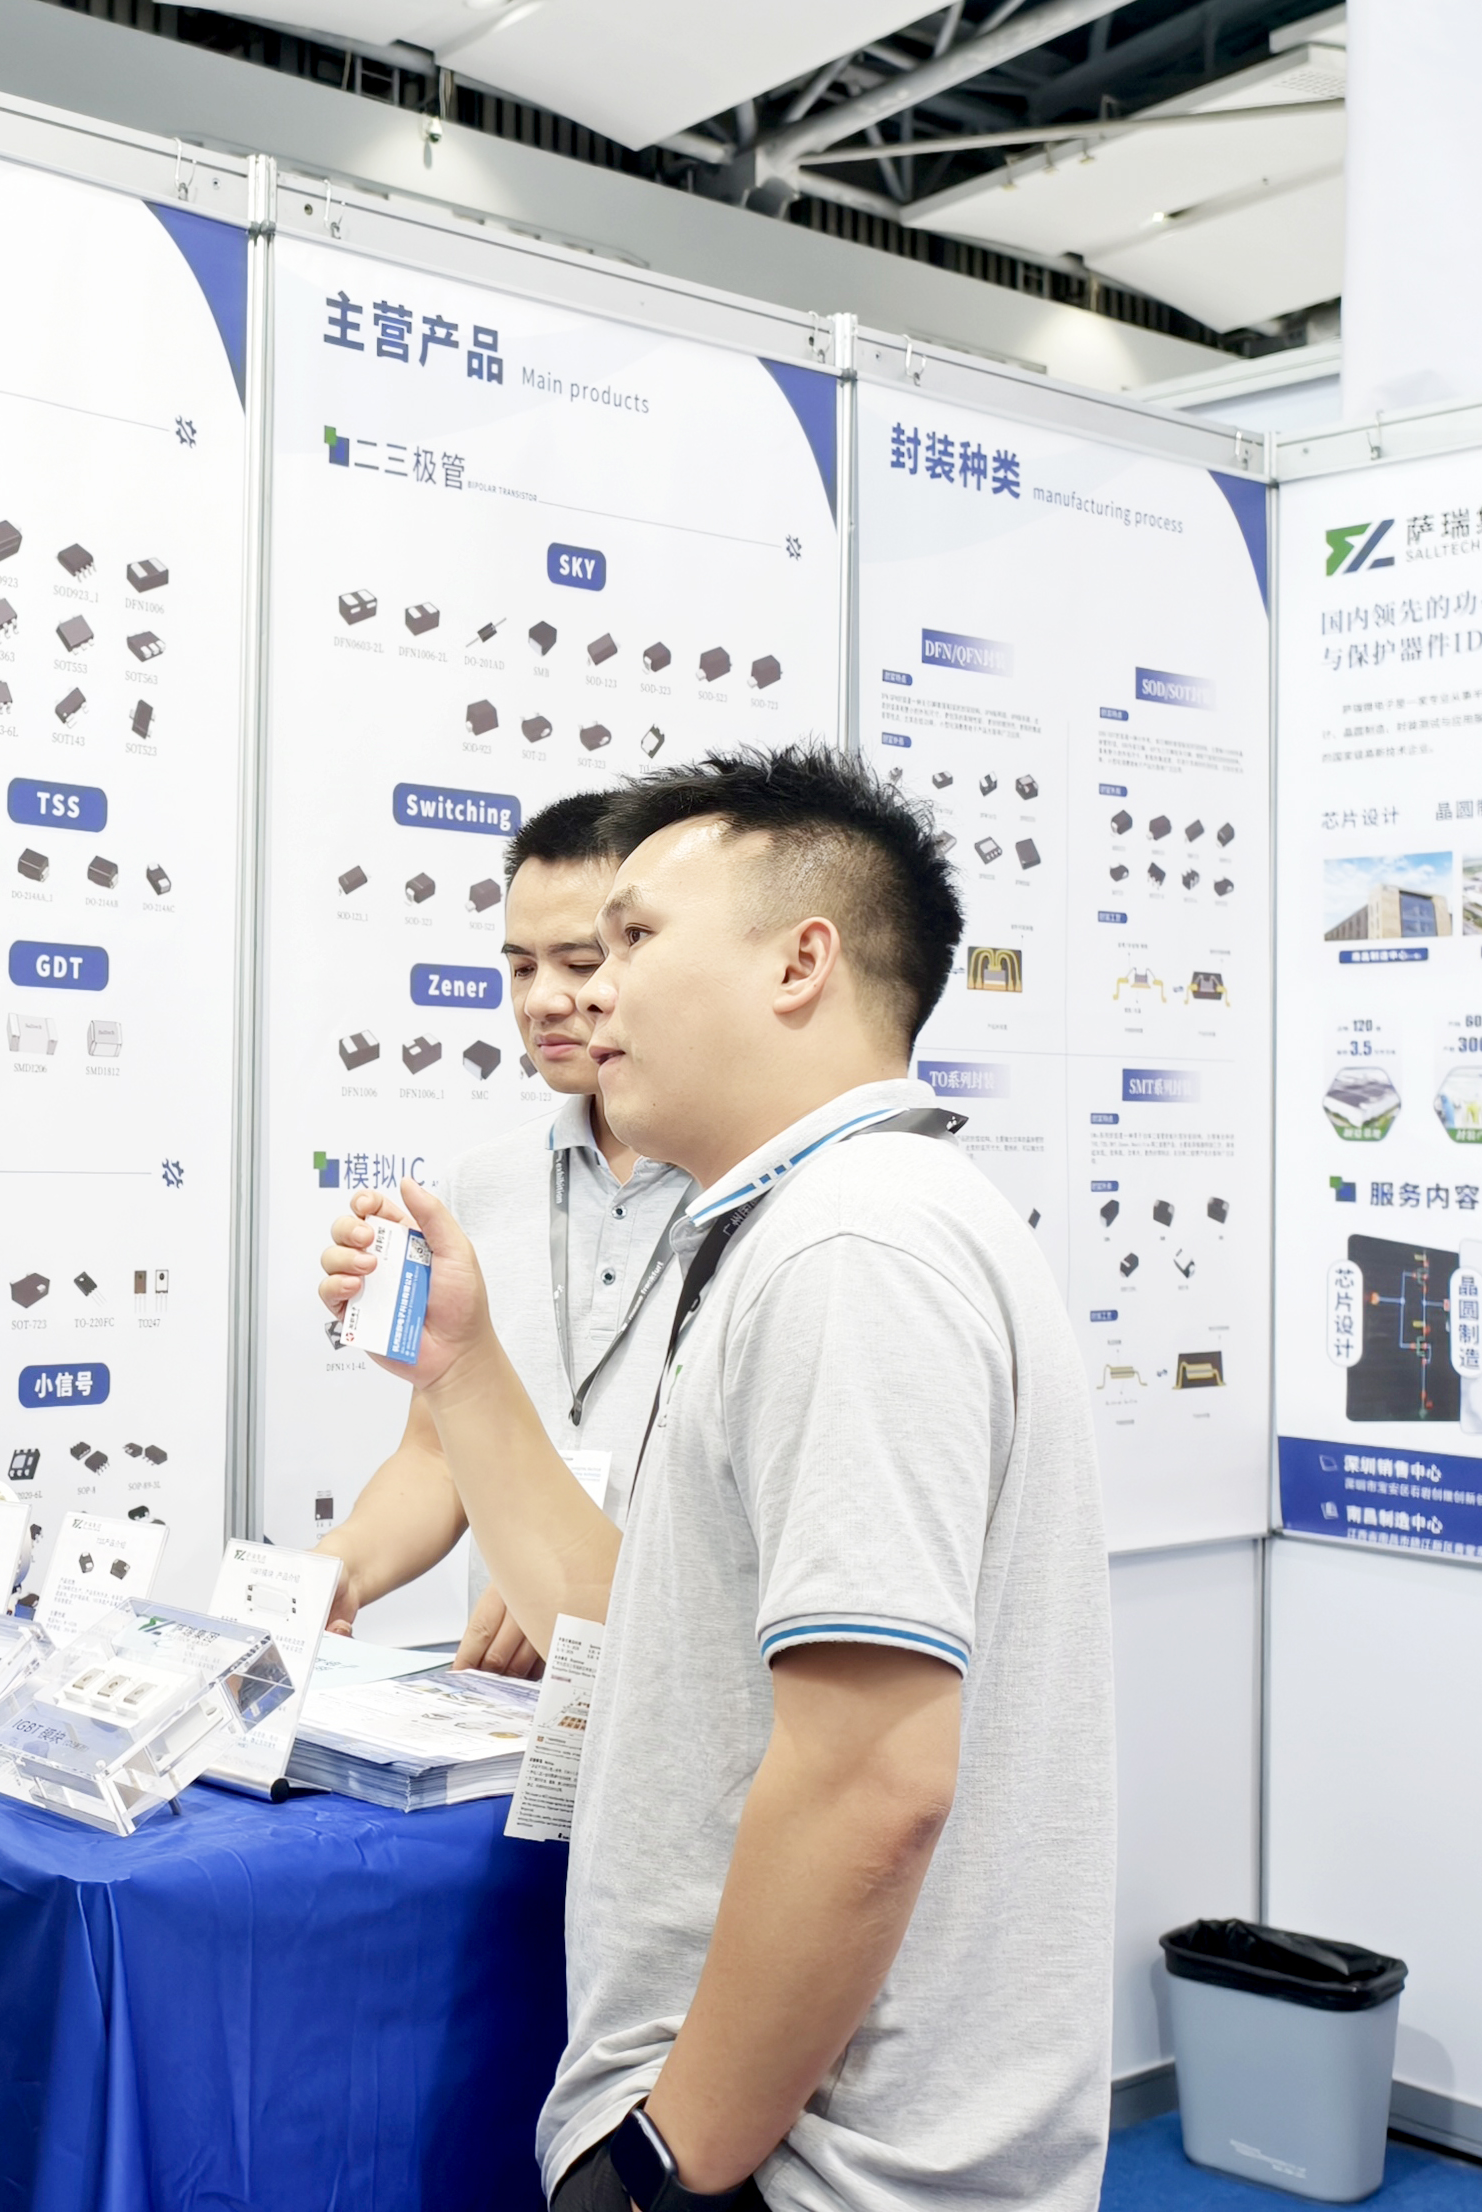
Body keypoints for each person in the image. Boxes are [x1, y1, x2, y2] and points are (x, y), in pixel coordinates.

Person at [319, 745, 1109, 2212]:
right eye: (554, 958)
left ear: (800, 963)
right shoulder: (812, 1226)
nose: (584, 994)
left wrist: (669, 2158)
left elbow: (873, 1781)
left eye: (629, 940)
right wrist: (463, 1364)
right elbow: (638, 1630)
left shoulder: (850, 1249)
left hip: (806, 2165)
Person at [313, 791, 697, 1673]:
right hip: (509, 1704)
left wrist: (576, 1592)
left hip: (676, 1692)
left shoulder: (760, 1193)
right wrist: (340, 1567)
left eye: (580, 960)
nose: (544, 1000)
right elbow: (436, 1456)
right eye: (521, 967)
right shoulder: (479, 1184)